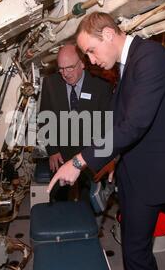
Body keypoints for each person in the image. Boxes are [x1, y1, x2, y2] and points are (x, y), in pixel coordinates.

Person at [47, 12, 165, 270]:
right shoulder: (130, 64)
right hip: (134, 168)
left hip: (151, 173)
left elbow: (134, 124)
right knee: (134, 248)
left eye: (91, 51)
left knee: (136, 251)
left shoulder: (150, 57)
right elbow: (117, 120)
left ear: (108, 35)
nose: (91, 60)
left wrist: (78, 162)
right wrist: (114, 158)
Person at [39, 43, 112, 202]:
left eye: (70, 68)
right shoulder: (51, 83)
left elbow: (107, 127)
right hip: (60, 153)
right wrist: (52, 150)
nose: (65, 74)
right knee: (58, 199)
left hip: (90, 153)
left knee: (91, 201)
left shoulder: (101, 87)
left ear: (82, 64)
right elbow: (45, 118)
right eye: (61, 69)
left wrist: (103, 157)